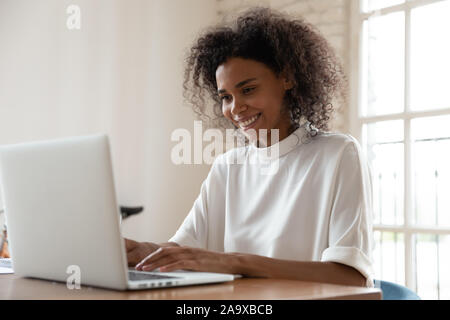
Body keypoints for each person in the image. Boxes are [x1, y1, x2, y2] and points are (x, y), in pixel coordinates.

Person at [125, 7, 374, 287]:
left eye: (248, 90)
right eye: (226, 97)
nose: (235, 108)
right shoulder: (228, 167)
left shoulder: (338, 155)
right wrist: (136, 252)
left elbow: (350, 275)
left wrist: (235, 261)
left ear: (288, 78)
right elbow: (181, 252)